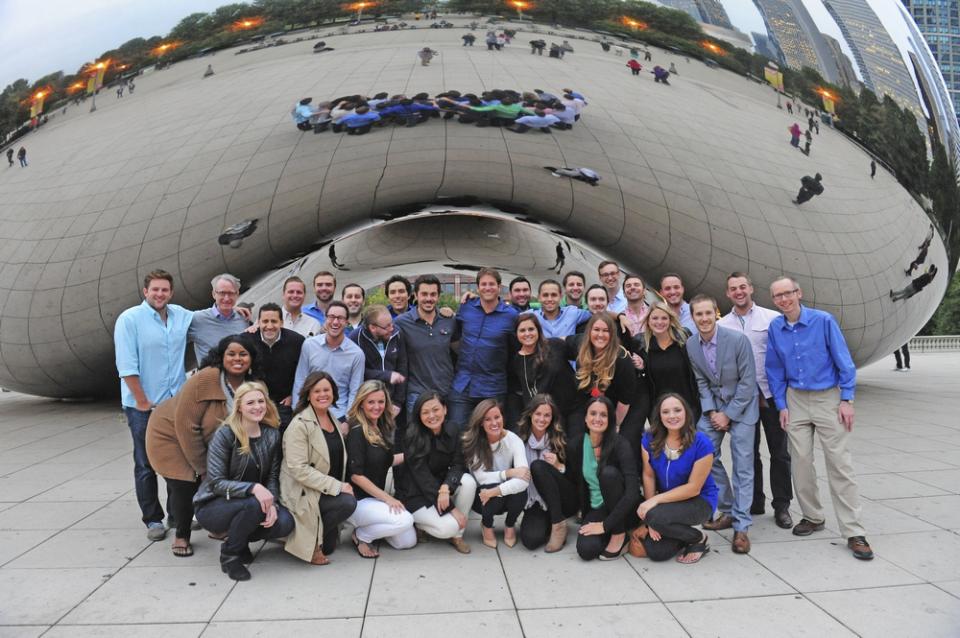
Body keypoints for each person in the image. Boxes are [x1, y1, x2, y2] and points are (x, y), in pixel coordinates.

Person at [766, 277, 873, 560]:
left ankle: (853, 531)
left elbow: (844, 361)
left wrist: (847, 399)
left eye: (788, 293)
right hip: (795, 400)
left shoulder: (823, 321)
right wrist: (781, 405)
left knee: (839, 463)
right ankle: (813, 516)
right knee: (800, 462)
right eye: (778, 296)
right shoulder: (776, 328)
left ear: (798, 293)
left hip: (828, 397)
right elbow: (774, 369)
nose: (784, 299)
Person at [146, 333, 262, 555]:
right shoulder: (205, 378)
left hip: (211, 439)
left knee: (224, 479)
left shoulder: (252, 384)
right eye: (231, 354)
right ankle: (182, 534)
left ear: (251, 358)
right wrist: (203, 467)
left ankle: (216, 525)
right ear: (221, 356)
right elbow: (186, 425)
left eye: (243, 354)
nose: (237, 359)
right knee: (187, 482)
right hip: (171, 434)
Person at [114, 270, 194, 540]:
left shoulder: (181, 315)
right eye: (155, 290)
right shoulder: (130, 320)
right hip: (143, 407)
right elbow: (126, 365)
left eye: (165, 290)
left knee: (178, 461)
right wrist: (142, 401)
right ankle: (153, 519)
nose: (160, 294)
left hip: (174, 404)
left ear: (171, 292)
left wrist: (239, 310)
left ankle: (176, 512)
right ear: (145, 291)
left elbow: (212, 314)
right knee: (145, 463)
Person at [192, 382, 294, 580]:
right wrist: (253, 488)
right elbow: (216, 482)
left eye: (260, 401)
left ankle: (241, 539)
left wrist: (272, 502)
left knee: (284, 522)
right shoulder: (225, 434)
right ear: (239, 406)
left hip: (251, 503)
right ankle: (230, 555)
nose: (257, 407)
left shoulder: (272, 434)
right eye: (250, 403)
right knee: (254, 504)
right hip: (212, 505)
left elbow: (272, 476)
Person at [718, 273, 792, 528]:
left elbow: (784, 356)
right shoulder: (722, 325)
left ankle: (782, 506)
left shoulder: (772, 318)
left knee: (780, 453)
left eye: (742, 287)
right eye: (733, 289)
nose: (738, 292)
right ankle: (755, 501)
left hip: (771, 397)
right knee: (747, 455)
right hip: (742, 402)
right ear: (727, 294)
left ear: (751, 288)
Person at [686, 294, 758, 554]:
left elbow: (748, 382)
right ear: (692, 317)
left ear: (715, 313)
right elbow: (702, 382)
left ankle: (741, 525)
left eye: (708, 313)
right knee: (704, 453)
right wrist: (713, 411)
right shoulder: (691, 345)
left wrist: (728, 414)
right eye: (698, 314)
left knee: (743, 465)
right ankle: (727, 509)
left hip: (742, 408)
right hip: (714, 409)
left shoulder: (738, 340)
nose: (703, 319)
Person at [280, 371, 358, 565]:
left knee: (330, 547)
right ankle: (309, 539)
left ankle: (315, 535)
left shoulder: (331, 417)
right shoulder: (299, 425)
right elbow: (299, 469)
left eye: (327, 390)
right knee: (348, 502)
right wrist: (337, 486)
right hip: (304, 491)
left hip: (322, 490)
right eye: (317, 391)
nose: (322, 394)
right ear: (308, 394)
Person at [638, 394, 717, 563]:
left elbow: (693, 488)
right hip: (669, 503)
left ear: (686, 413)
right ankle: (679, 532)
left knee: (655, 516)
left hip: (700, 501)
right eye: (665, 412)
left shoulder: (701, 443)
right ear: (659, 416)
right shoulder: (649, 439)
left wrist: (654, 505)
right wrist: (651, 518)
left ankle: (697, 538)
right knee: (657, 552)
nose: (672, 416)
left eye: (677, 410)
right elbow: (648, 475)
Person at [397, 392, 476, 553]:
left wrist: (446, 487)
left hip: (439, 487)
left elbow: (458, 464)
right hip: (416, 494)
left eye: (436, 410)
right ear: (418, 415)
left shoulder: (453, 429)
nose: (432, 416)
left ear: (445, 409)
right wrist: (452, 510)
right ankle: (417, 523)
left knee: (468, 482)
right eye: (425, 412)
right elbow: (422, 479)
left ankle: (457, 536)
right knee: (448, 527)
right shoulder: (411, 436)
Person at [345, 381, 416, 556]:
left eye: (381, 402)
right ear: (361, 403)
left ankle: (374, 525)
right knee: (405, 520)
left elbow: (385, 461)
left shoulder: (380, 427)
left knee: (406, 542)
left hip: (375, 500)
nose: (377, 407)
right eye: (371, 402)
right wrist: (387, 499)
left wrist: (416, 455)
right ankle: (362, 535)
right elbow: (356, 476)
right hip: (358, 502)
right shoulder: (356, 430)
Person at [570, 396, 639, 561]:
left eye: (603, 415)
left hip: (623, 508)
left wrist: (605, 525)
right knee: (586, 551)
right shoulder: (577, 444)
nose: (597, 419)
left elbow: (633, 493)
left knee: (608, 474)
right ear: (585, 418)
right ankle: (611, 533)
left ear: (610, 419)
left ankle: (619, 534)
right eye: (593, 413)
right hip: (597, 508)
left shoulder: (621, 444)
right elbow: (573, 481)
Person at [448, 268, 517, 430]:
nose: (488, 288)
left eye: (492, 284)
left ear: (499, 287)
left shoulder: (511, 315)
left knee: (492, 435)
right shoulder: (466, 307)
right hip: (463, 385)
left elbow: (515, 349)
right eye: (484, 284)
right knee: (457, 433)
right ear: (477, 288)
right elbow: (454, 335)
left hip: (493, 387)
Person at [462, 400, 529, 548]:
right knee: (491, 485)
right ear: (480, 422)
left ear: (502, 417)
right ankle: (487, 525)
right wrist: (509, 472)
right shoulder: (473, 442)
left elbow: (524, 478)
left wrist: (495, 491)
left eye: (497, 417)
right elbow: (481, 478)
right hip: (481, 498)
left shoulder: (513, 440)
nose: (494, 423)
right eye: (487, 419)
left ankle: (510, 525)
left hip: (496, 494)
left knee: (520, 492)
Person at [566, 314, 638, 450]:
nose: (600, 335)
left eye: (606, 331)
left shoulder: (621, 359)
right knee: (575, 439)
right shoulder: (581, 344)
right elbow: (562, 341)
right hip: (585, 402)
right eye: (596, 330)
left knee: (610, 442)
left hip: (614, 406)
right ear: (589, 332)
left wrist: (615, 424)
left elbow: (625, 399)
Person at [518, 395, 577, 551]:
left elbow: (574, 479)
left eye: (547, 415)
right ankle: (548, 524)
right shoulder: (519, 441)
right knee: (530, 540)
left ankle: (558, 524)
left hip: (563, 500)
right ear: (530, 414)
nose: (542, 419)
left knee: (538, 466)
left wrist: (559, 465)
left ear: (552, 418)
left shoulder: (560, 440)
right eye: (538, 414)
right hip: (536, 501)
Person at [396, 275, 458, 420]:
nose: (429, 298)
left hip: (447, 391)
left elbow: (459, 350)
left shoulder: (449, 320)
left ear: (438, 296)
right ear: (415, 295)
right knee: (417, 439)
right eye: (424, 294)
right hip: (417, 393)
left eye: (433, 294)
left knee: (448, 438)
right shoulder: (401, 323)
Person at [291, 301, 365, 420]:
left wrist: (347, 420)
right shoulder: (309, 345)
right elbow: (300, 379)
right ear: (325, 319)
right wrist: (297, 412)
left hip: (339, 415)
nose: (335, 322)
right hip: (310, 413)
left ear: (347, 322)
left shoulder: (356, 354)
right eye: (331, 317)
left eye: (340, 318)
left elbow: (355, 391)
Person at [507, 313, 577, 426]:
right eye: (522, 330)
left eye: (531, 329)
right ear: (516, 334)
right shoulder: (515, 361)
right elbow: (519, 392)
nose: (527, 334)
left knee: (574, 443)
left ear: (538, 331)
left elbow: (582, 352)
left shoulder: (555, 345)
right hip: (545, 417)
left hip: (573, 409)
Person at [350, 305, 408, 431]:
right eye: (386, 326)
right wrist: (386, 375)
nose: (391, 328)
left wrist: (398, 402)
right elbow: (357, 371)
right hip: (367, 404)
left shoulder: (397, 333)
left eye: (391, 324)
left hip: (391, 402)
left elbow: (403, 367)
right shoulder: (355, 338)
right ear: (372, 327)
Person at [638, 303, 699, 420]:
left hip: (688, 407)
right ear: (648, 321)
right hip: (659, 410)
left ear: (670, 320)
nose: (659, 322)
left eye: (664, 318)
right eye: (655, 318)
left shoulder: (684, 337)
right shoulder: (641, 344)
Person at [254, 303, 304, 429]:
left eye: (274, 321)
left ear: (281, 322)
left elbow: (304, 371)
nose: (269, 326)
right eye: (265, 321)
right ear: (258, 322)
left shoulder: (297, 341)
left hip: (285, 402)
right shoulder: (247, 340)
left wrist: (295, 394)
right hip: (256, 401)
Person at [187, 274, 250, 365]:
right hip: (211, 378)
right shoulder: (197, 319)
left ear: (237, 295)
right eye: (222, 293)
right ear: (214, 294)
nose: (227, 298)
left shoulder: (243, 318)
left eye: (231, 293)